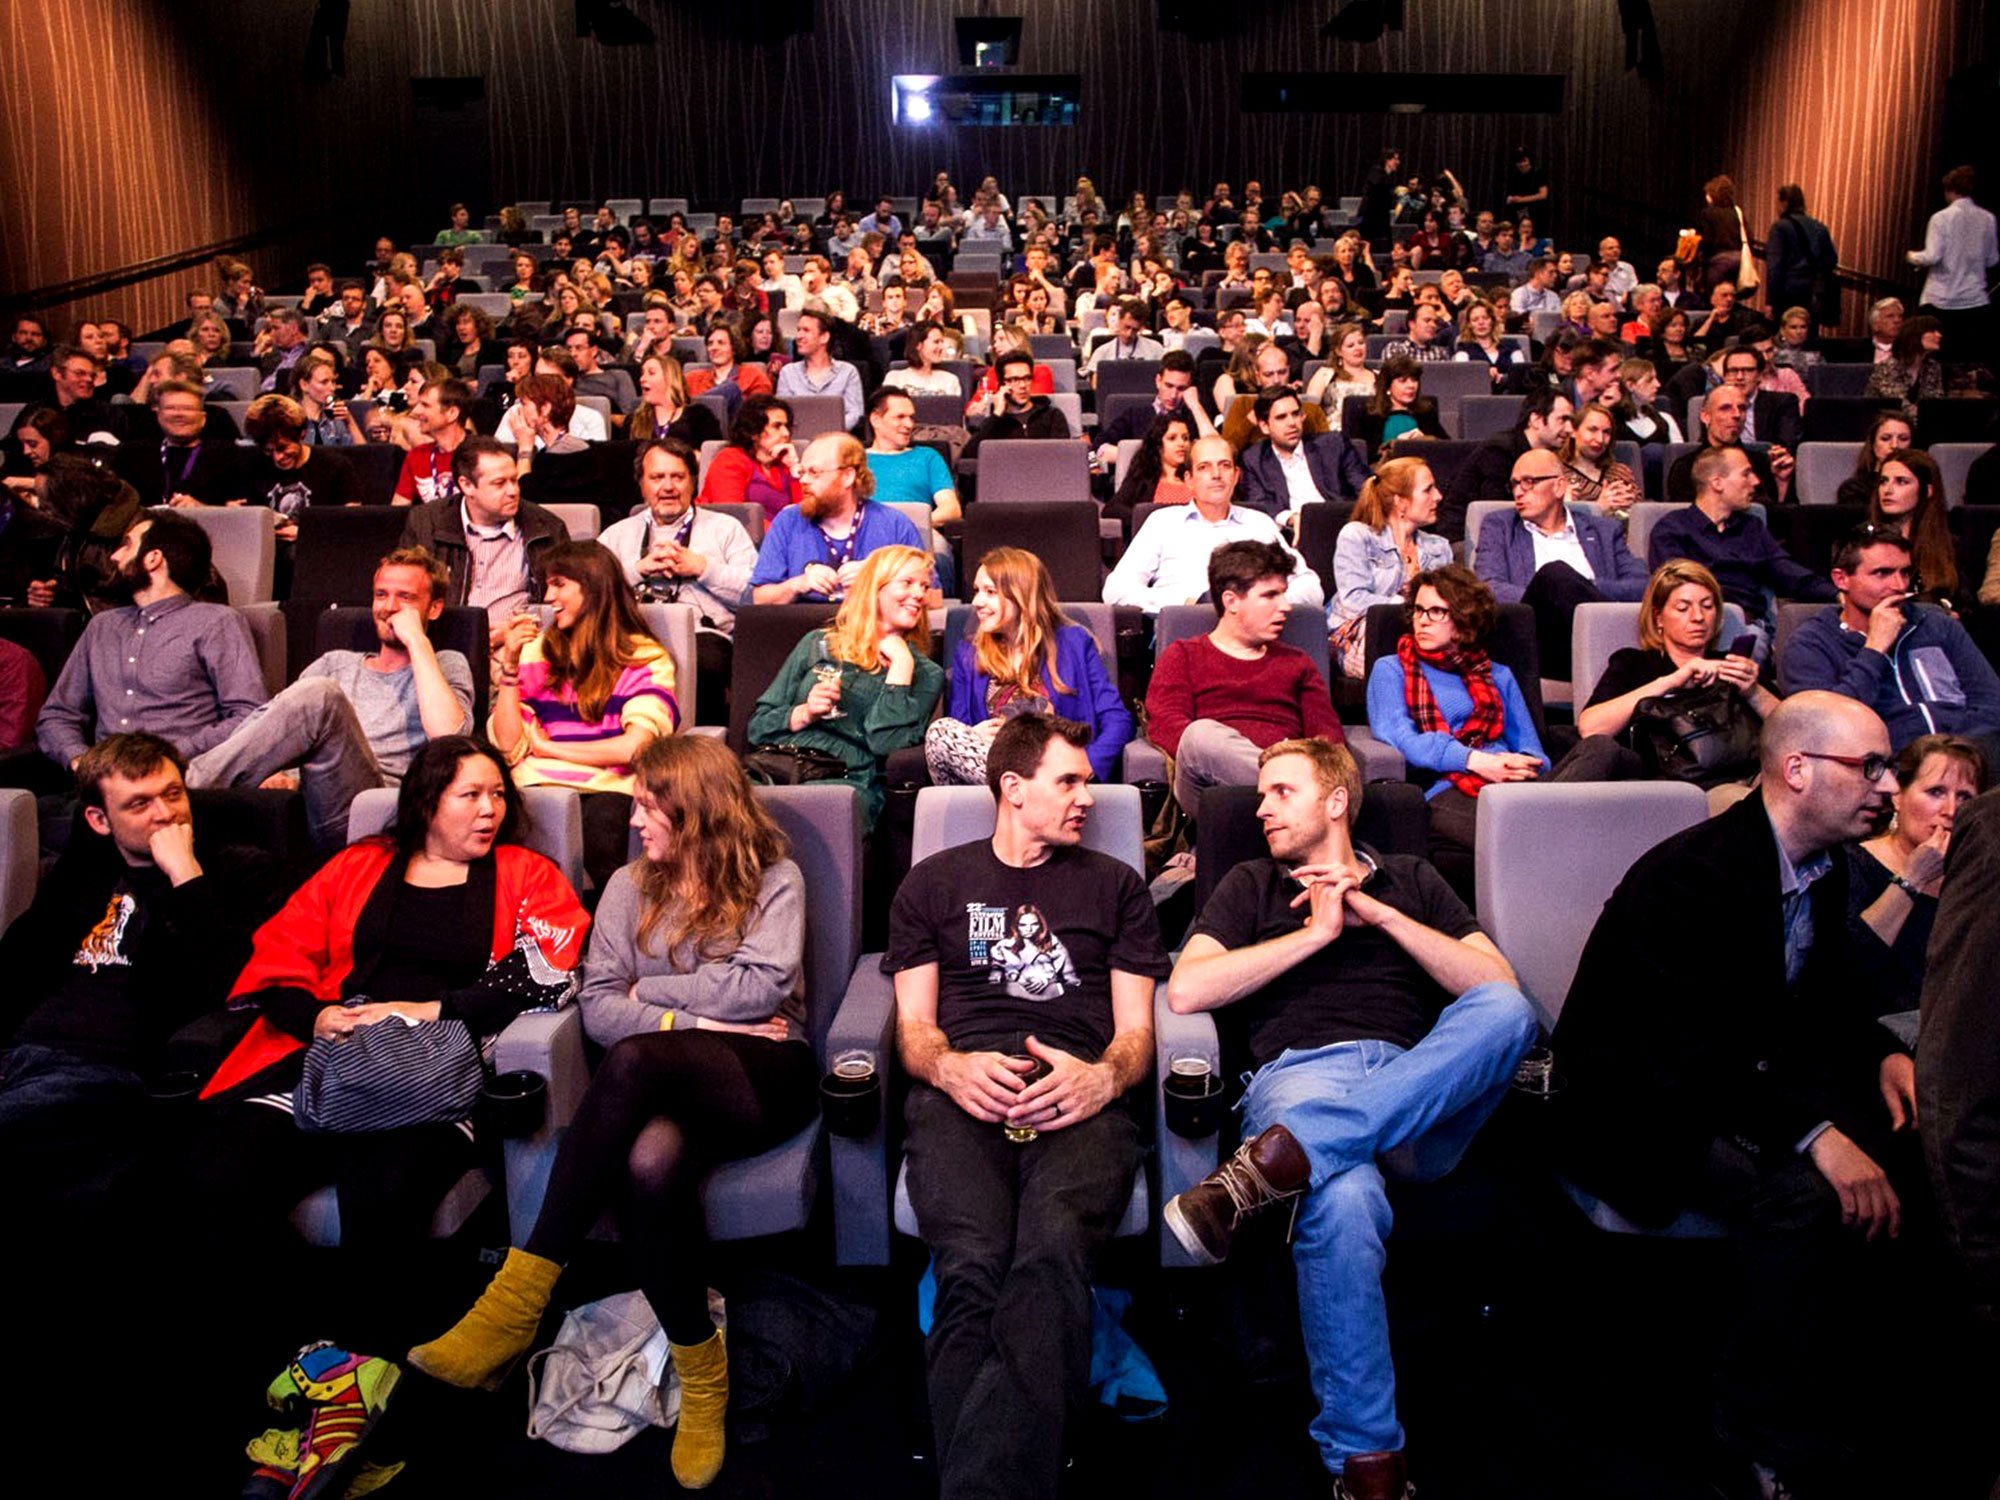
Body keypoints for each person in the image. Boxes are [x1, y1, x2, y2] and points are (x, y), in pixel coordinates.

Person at [406, 735, 809, 1486]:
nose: (636, 823)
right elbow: (595, 1007)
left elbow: (761, 990)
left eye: (650, 807)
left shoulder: (773, 879)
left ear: (693, 810)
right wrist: (703, 1019)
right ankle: (703, 1376)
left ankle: (518, 1299)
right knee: (649, 1161)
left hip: (765, 1075)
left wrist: (651, 998)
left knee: (635, 1058)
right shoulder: (628, 885)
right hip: (672, 1079)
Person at [1551, 693, 1916, 1496]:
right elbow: (1689, 1057)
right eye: (1870, 767)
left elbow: (1824, 1006)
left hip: (1731, 1087)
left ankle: (1855, 1394)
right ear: (1797, 770)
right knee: (1805, 1196)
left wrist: (1887, 1053)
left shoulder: (1823, 868)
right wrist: (1817, 1133)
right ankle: (1757, 1435)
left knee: (1906, 1150)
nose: (1888, 788)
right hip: (1634, 1109)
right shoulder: (1694, 876)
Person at [1163, 737, 1536, 1500]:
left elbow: (1493, 985)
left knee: (1507, 1009)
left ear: (1336, 800)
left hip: (1415, 1084)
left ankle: (1269, 1169)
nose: (1260, 807)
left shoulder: (1414, 879)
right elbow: (1186, 990)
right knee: (1346, 1194)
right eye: (1260, 794)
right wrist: (1316, 934)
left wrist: (1376, 912)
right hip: (1300, 1079)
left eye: (1281, 792)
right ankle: (1365, 1464)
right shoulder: (1249, 884)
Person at [885, 712, 1167, 1500]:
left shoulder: (1117, 887)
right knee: (970, 1266)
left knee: (1050, 1261)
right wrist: (947, 1067)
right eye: (1068, 780)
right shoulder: (933, 883)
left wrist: (1102, 1079)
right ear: (1013, 789)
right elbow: (913, 1029)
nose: (1087, 796)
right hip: (959, 1098)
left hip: (1083, 1099)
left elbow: (1138, 1033)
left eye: (1086, 781)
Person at [189, 736, 587, 1262]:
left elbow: (548, 965)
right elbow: (282, 951)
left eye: (498, 794)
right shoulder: (358, 864)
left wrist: (436, 1009)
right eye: (470, 795)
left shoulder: (524, 872)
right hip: (335, 1055)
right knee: (217, 1174)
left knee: (384, 1188)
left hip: (438, 1067)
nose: (490, 809)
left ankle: (371, 1336)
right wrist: (317, 1017)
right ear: (426, 803)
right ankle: (289, 1328)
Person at [0, 734, 279, 1207]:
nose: (166, 814)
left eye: (173, 794)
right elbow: (18, 960)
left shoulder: (236, 874)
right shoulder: (85, 872)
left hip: (109, 1071)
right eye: (139, 804)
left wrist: (185, 876)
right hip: (22, 1052)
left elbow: (236, 983)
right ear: (99, 820)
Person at [187, 547, 474, 849]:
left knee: (322, 695)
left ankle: (184, 788)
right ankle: (188, 794)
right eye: (380, 594)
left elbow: (450, 739)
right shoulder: (335, 663)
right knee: (317, 693)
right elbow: (277, 726)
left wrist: (416, 640)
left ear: (434, 608)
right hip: (312, 802)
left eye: (405, 597)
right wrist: (285, 774)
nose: (389, 607)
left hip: (382, 809)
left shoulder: (446, 664)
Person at [491, 540, 679, 895]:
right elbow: (509, 747)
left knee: (602, 840)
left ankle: (607, 939)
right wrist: (510, 669)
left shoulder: (644, 657)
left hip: (607, 787)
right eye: (547, 585)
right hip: (532, 785)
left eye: (559, 584)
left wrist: (551, 750)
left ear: (592, 587)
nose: (548, 597)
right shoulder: (534, 652)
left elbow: (634, 748)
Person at [1364, 565, 1548, 895]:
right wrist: (1475, 761)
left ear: (1464, 621)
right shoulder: (1391, 668)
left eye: (1436, 611)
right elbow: (1401, 739)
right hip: (1447, 789)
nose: (1421, 620)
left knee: (1603, 750)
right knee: (1535, 832)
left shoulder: (1497, 674)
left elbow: (1532, 749)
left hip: (1516, 784)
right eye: (1418, 610)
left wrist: (1518, 767)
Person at [37, 509, 265, 772]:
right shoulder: (102, 626)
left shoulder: (216, 622)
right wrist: (80, 760)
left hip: (183, 779)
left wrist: (172, 756)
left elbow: (249, 714)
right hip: (103, 785)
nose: (114, 556)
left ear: (153, 558)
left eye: (127, 545)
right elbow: (57, 716)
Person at [746, 544, 942, 829]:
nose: (919, 594)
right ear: (875, 588)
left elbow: (885, 744)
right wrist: (803, 713)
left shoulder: (924, 673)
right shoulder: (817, 643)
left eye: (924, 586)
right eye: (908, 583)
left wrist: (901, 665)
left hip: (846, 779)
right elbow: (757, 727)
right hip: (778, 765)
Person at [1146, 540, 1344, 816]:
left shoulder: (1297, 662)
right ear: (1231, 601)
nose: (1285, 606)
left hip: (1293, 771)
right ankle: (1293, 793)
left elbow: (1328, 739)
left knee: (1329, 762)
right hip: (1213, 791)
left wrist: (1296, 759)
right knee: (1200, 735)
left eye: (1284, 594)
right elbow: (1168, 729)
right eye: (1270, 595)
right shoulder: (1183, 655)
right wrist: (1273, 762)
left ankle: (1291, 798)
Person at [1779, 528, 2000, 767]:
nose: (1898, 585)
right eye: (1882, 573)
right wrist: (1874, 649)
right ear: (1841, 579)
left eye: (1904, 573)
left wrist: (1954, 753)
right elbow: (1827, 729)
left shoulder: (1936, 624)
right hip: (1888, 770)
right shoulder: (1811, 643)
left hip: (1969, 758)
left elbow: (1991, 701)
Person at [926, 549, 1132, 786]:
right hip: (994, 774)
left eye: (990, 592)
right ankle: (1035, 789)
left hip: (1060, 768)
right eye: (977, 591)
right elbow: (958, 726)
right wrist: (974, 734)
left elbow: (1117, 719)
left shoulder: (1075, 643)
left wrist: (1087, 766)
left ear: (1022, 595)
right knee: (941, 732)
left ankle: (1046, 787)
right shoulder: (969, 654)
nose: (977, 602)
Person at [599, 438, 756, 727]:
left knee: (703, 665)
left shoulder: (725, 529)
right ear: (642, 485)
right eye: (657, 477)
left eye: (678, 477)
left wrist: (703, 568)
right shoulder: (616, 535)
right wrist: (638, 570)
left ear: (692, 482)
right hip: (630, 635)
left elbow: (755, 594)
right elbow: (590, 593)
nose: (668, 487)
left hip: (705, 637)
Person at [1847, 733, 1987, 1018]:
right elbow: (1849, 968)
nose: (1951, 811)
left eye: (1964, 797)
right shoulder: (1851, 862)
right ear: (1897, 796)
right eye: (1936, 792)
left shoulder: (1977, 877)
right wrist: (1913, 877)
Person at [1475, 444, 1648, 671]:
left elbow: (1642, 585)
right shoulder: (1500, 526)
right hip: (1539, 641)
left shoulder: (1603, 530)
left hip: (1594, 632)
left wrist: (1581, 589)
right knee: (1554, 575)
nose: (1518, 492)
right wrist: (1548, 593)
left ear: (1559, 486)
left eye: (1528, 482)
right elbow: (1489, 586)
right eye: (1515, 484)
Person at [1104, 436, 1322, 613]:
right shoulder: (1162, 522)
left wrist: (1258, 602)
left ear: (1236, 476)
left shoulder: (1259, 523)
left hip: (1251, 631)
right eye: (1204, 467)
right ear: (1188, 479)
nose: (1216, 475)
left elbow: (1310, 586)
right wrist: (1184, 604)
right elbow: (1116, 589)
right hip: (1185, 628)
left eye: (1225, 465)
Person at [1651, 445, 1829, 638]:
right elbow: (1673, 587)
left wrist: (1838, 594)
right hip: (1695, 625)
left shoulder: (1752, 528)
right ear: (1717, 483)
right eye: (1746, 474)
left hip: (1747, 626)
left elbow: (1788, 573)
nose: (1756, 481)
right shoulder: (1672, 528)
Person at [398, 436, 572, 634]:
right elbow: (405, 598)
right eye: (499, 483)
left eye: (514, 480)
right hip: (444, 643)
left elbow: (566, 604)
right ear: (467, 486)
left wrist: (515, 630)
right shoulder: (425, 524)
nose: (513, 491)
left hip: (521, 646)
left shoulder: (547, 528)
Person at [749, 432, 923, 605]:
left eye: (814, 472)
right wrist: (797, 584)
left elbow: (933, 598)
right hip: (802, 627)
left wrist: (876, 579)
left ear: (848, 476)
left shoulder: (895, 525)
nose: (803, 480)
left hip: (872, 629)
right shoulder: (787, 521)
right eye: (802, 472)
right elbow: (760, 598)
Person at [1329, 456, 1453, 680]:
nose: (1438, 496)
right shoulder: (1358, 535)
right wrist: (1410, 608)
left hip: (1422, 634)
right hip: (1363, 636)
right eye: (1428, 490)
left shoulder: (1439, 547)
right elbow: (1354, 599)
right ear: (1401, 502)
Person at [1439, 387, 1574, 543]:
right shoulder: (1499, 451)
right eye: (1563, 420)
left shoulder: (1548, 457)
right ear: (1536, 420)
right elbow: (1495, 510)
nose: (1570, 429)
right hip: (1467, 538)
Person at [863, 387, 960, 588]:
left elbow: (951, 509)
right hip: (866, 533)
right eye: (900, 417)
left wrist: (906, 526)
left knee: (940, 556)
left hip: (920, 531)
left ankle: (942, 616)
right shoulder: (856, 458)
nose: (909, 424)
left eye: (911, 417)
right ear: (876, 420)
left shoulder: (927, 457)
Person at [1237, 388, 1369, 530]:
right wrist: (1290, 518)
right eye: (1281, 417)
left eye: (1295, 414)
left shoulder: (1333, 445)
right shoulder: (1253, 459)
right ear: (1264, 426)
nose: (1292, 423)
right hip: (1289, 533)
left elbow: (1367, 488)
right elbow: (1259, 505)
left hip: (1340, 525)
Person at [1906, 165, 1998, 365]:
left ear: (1949, 190)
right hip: (1974, 301)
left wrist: (1912, 256)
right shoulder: (1988, 219)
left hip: (1941, 300)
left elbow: (1931, 256)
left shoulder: (1941, 218)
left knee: (1935, 361)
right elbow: (1993, 260)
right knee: (1968, 361)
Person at [1664, 386, 1794, 505]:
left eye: (1742, 408)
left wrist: (1782, 483)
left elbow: (1776, 518)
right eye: (1725, 408)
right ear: (1705, 416)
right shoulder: (1687, 467)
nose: (1736, 415)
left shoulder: (1762, 463)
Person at [1865, 449, 1958, 608]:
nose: (1888, 490)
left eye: (1901, 481)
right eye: (1883, 481)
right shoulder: (1862, 542)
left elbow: (1964, 606)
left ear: (1927, 490)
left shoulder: (1951, 546)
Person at [697, 392, 802, 523]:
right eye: (777, 426)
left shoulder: (784, 463)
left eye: (787, 426)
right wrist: (782, 535)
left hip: (780, 538)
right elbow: (734, 516)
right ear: (753, 431)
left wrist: (794, 467)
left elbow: (806, 512)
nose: (786, 433)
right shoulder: (730, 459)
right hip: (739, 538)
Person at [1106, 411, 1197, 533]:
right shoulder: (1144, 476)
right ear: (1159, 445)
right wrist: (1149, 519)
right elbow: (1112, 510)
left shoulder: (1197, 476)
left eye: (1185, 438)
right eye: (1172, 438)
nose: (1181, 444)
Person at [1766, 184, 1840, 332]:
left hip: (1788, 292)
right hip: (1815, 292)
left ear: (1784, 203)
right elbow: (1832, 260)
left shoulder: (1780, 228)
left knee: (1786, 334)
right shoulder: (1819, 227)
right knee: (1809, 333)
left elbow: (1774, 267)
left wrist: (1770, 302)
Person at [390, 376, 473, 507]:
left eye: (425, 405)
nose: (416, 411)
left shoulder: (483, 454)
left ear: (451, 413)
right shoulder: (416, 456)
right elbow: (397, 511)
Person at [773, 309, 863, 430]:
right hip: (799, 439)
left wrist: (827, 432)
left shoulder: (847, 372)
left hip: (837, 439)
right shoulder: (788, 373)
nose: (799, 336)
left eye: (806, 330)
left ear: (824, 337)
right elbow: (781, 414)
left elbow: (855, 414)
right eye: (798, 330)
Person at [1346, 357, 1448, 453]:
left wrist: (1425, 441)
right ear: (1387, 386)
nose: (1411, 386)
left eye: (1414, 380)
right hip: (1384, 468)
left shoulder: (1426, 412)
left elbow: (1447, 447)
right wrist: (1396, 444)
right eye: (1403, 381)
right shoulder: (1366, 414)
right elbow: (1357, 454)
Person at [684, 323, 775, 423]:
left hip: (737, 431)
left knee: (731, 389)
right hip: (699, 431)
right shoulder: (692, 378)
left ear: (734, 348)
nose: (714, 348)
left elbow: (761, 414)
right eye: (710, 343)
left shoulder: (754, 376)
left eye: (721, 343)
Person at [1863, 315, 1946, 419]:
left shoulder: (1932, 367)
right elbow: (1899, 405)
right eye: (1932, 331)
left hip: (1921, 423)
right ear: (1915, 334)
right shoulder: (1888, 367)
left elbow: (1934, 403)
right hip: (1886, 422)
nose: (1939, 335)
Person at [1834, 410, 1915, 508]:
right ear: (1873, 444)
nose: (1895, 445)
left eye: (1903, 439)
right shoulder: (1854, 489)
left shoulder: (1920, 486)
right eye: (1885, 438)